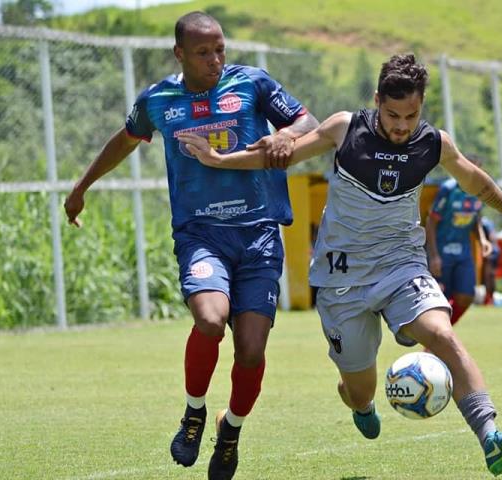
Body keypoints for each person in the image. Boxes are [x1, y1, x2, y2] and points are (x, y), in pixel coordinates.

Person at [179, 54, 502, 476]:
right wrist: (221, 161)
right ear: (377, 100)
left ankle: (491, 437)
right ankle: (362, 404)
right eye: (392, 114)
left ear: (422, 107)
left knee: (442, 336)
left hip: (401, 264)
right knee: (359, 389)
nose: (401, 125)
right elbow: (281, 156)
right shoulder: (345, 129)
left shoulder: (433, 143)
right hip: (342, 280)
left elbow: (475, 180)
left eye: (411, 115)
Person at [63, 11, 319, 480]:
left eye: (220, 48)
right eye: (203, 52)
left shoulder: (253, 83)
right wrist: (82, 187)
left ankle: (231, 430)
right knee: (210, 319)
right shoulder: (159, 99)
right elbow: (125, 140)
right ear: (180, 53)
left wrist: (285, 133)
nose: (215, 59)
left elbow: (309, 122)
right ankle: (194, 412)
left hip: (259, 234)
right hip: (200, 235)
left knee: (251, 353)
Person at [426, 167, 492, 325]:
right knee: (441, 298)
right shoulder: (448, 189)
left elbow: (475, 218)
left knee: (467, 296)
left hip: (464, 252)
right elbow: (431, 221)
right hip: (442, 251)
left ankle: (442, 334)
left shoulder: (479, 191)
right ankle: (437, 337)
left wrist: (482, 239)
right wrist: (434, 255)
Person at [480, 215, 501, 305]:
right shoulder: (488, 221)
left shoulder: (483, 223)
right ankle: (490, 298)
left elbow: (491, 237)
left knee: (488, 276)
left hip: (490, 251)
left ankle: (489, 298)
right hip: (494, 251)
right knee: (491, 276)